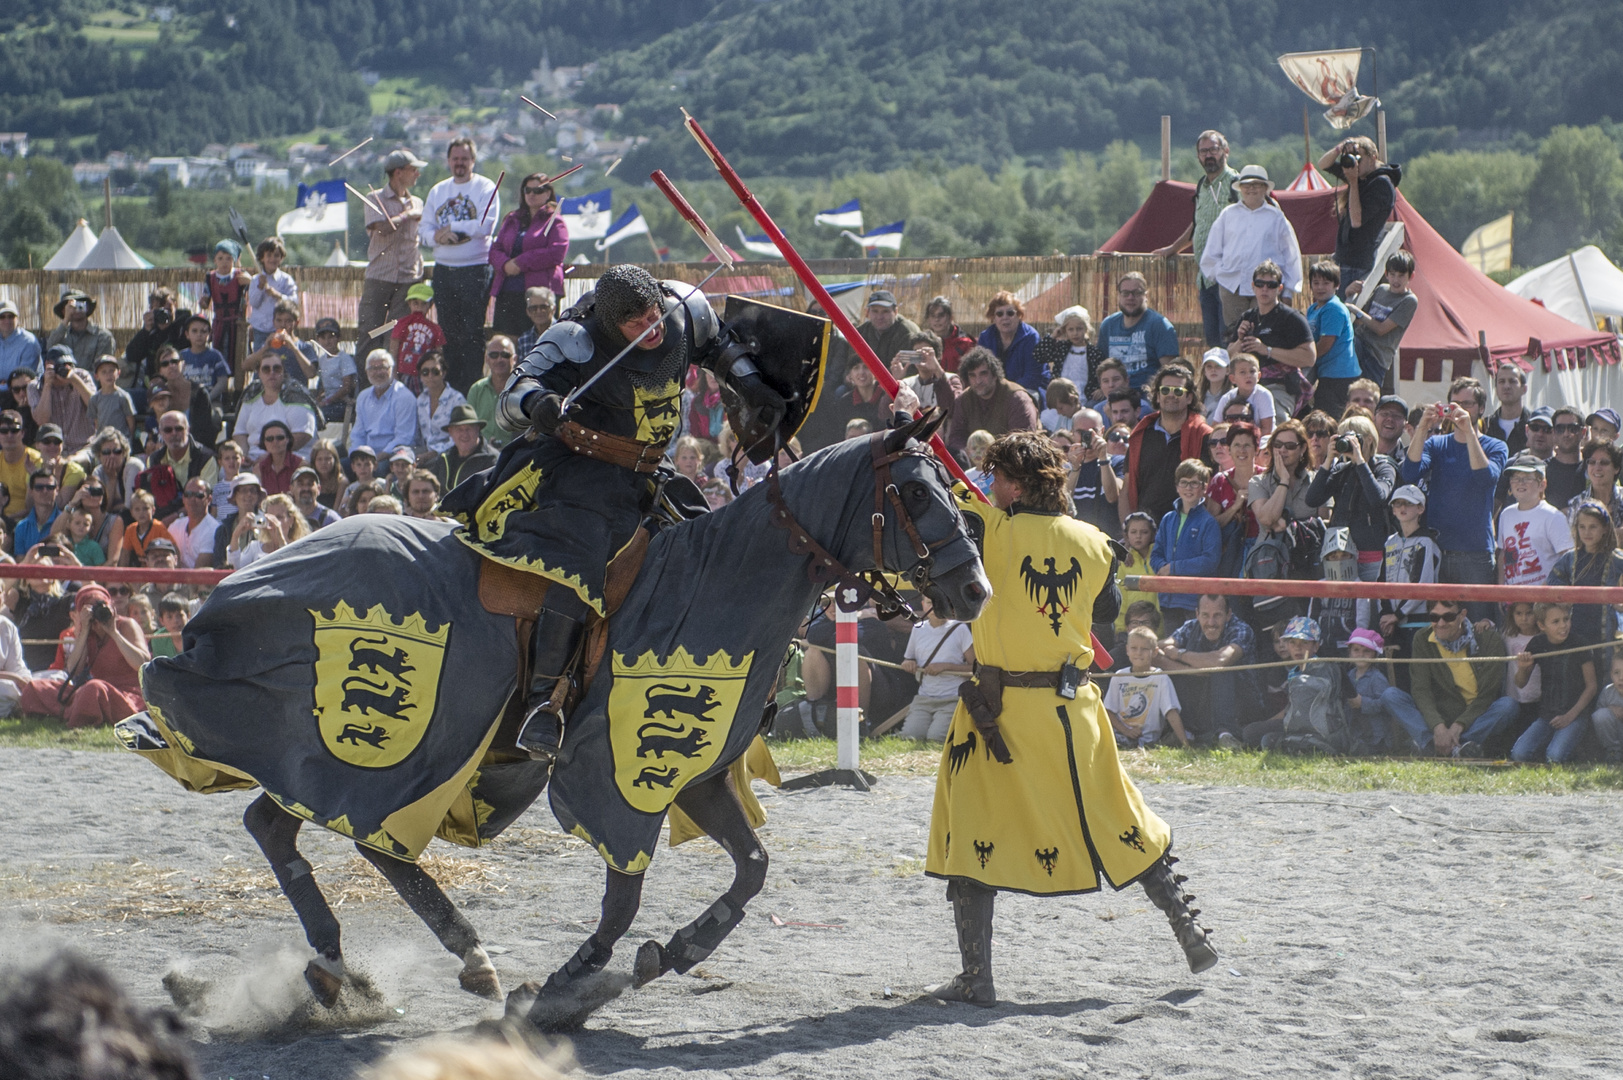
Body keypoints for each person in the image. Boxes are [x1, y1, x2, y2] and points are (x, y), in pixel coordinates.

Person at [440, 264, 787, 763]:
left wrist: (749, 383)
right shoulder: (574, 341)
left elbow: (719, 345)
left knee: (710, 547)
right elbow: (510, 398)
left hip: (652, 470)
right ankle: (544, 702)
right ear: (610, 322)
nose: (653, 326)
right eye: (636, 323)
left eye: (653, 313)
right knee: (576, 559)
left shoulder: (681, 309)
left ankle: (735, 690)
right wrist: (540, 403)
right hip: (581, 469)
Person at [923, 431, 1215, 1007]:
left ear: (1018, 482)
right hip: (1068, 711)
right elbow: (1104, 613)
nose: (990, 485)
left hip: (998, 714)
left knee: (971, 830)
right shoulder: (1097, 542)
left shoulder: (986, 528)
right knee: (1117, 814)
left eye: (998, 476)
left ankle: (976, 977)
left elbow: (942, 502)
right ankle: (1188, 928)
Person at [1399, 381, 1508, 620]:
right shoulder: (1437, 443)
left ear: (1481, 409)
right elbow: (1410, 472)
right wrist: (1422, 428)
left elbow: (1485, 477)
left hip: (1476, 553)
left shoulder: (1495, 446)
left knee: (1478, 622)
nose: (1461, 409)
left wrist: (1469, 432)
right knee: (1440, 622)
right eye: (1456, 404)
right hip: (1438, 550)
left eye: (1468, 404)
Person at [420, 138, 499, 391]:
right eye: (455, 159)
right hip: (444, 270)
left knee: (472, 333)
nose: (460, 163)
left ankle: (473, 389)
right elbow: (424, 230)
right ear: (448, 161)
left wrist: (452, 227)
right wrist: (436, 236)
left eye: (464, 159)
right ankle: (452, 390)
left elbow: (485, 226)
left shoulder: (485, 187)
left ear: (473, 161)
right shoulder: (437, 191)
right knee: (448, 334)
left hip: (475, 269)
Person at [1153, 130, 1240, 346]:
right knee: (1213, 342)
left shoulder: (1236, 183)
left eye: (1213, 149)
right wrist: (1173, 248)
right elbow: (1197, 225)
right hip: (1205, 277)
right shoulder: (1202, 185)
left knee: (1230, 340)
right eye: (1203, 151)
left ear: (1225, 151)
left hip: (1229, 276)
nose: (1208, 155)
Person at [16, 584, 147, 728]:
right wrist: (83, 632)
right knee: (34, 688)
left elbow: (143, 664)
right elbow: (73, 670)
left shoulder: (127, 625)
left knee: (92, 689)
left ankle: (72, 711)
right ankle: (80, 709)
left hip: (126, 696)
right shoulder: (87, 631)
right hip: (94, 692)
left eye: (101, 606)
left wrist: (114, 633)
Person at [1405, 598, 1520, 758]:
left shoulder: (1488, 639)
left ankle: (1443, 745)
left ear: (1462, 615)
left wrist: (1457, 727)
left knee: (1508, 705)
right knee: (1392, 697)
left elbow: (1488, 694)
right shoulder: (1422, 638)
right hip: (1440, 716)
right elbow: (1421, 690)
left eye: (1448, 617)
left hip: (1476, 716)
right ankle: (1445, 745)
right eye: (1434, 617)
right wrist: (1438, 727)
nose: (1441, 623)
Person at [1304, 415, 1396, 612]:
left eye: (1354, 438)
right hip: (1341, 556)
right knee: (1344, 611)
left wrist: (1361, 462)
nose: (1348, 443)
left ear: (1369, 439)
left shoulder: (1384, 466)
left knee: (1369, 612)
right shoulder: (1341, 469)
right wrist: (1328, 460)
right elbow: (1312, 499)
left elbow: (1378, 498)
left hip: (1371, 556)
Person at [1200, 164, 1303, 337]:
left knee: (1264, 334)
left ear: (1265, 189)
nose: (1251, 189)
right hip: (1232, 287)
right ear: (1240, 189)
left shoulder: (1276, 217)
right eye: (1246, 185)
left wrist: (1288, 291)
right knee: (1234, 336)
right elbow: (1211, 251)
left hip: (1265, 287)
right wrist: (1221, 274)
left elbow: (1291, 255)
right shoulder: (1228, 214)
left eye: (1256, 185)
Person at [1157, 592, 1257, 749]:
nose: (1211, 622)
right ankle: (1186, 732)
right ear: (1197, 613)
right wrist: (1188, 669)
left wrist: (1179, 654)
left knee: (1221, 668)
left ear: (1228, 614)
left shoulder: (1241, 629)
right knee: (1178, 668)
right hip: (1203, 702)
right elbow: (1157, 652)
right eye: (1205, 615)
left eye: (1217, 615)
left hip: (1240, 704)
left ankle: (1226, 735)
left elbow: (1220, 660)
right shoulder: (1190, 626)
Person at [1124, 362, 1211, 525]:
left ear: (1189, 397)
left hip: (1188, 527)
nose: (1171, 395)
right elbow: (1127, 489)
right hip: (1145, 531)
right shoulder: (1140, 435)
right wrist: (1128, 527)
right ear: (1157, 396)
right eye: (1165, 390)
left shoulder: (1204, 436)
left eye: (1178, 391)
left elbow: (1211, 489)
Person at [1510, 603, 1598, 764]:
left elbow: (1591, 686)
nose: (1563, 625)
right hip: (1547, 716)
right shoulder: (1537, 643)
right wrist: (1522, 668)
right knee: (1518, 754)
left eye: (1566, 619)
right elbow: (1520, 683)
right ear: (1542, 625)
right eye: (1556, 622)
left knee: (1554, 757)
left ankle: (1571, 751)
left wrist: (1570, 716)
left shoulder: (1579, 643)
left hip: (1575, 714)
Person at [358, 147, 428, 343]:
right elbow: (380, 229)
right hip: (380, 275)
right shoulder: (374, 199)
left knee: (398, 336)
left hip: (408, 278)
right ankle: (365, 375)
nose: (417, 174)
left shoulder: (418, 202)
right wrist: (406, 216)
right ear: (398, 172)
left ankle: (394, 374)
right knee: (369, 332)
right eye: (413, 170)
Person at [1230, 260, 1315, 419]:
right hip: (1246, 386)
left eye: (1271, 285)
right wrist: (1239, 341)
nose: (1265, 289)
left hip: (1280, 386)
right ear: (1253, 286)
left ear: (1279, 289)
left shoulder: (1291, 318)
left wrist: (1267, 350)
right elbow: (1229, 357)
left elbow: (1309, 357)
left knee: (1277, 420)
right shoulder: (1247, 317)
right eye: (1260, 284)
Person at [1318, 135, 1400, 295]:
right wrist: (1339, 149)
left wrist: (1353, 182)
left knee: (1345, 310)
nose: (1356, 164)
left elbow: (1356, 221)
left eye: (1359, 159)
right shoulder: (1360, 176)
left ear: (1373, 158)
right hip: (1343, 258)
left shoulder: (1381, 184)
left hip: (1357, 263)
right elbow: (1323, 164)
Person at [489, 174, 569, 337]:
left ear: (548, 193)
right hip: (509, 291)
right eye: (528, 190)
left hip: (539, 295)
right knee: (509, 342)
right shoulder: (512, 219)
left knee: (541, 341)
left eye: (538, 190)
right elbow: (495, 249)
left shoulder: (555, 220)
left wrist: (520, 262)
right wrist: (505, 264)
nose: (532, 194)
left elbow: (556, 253)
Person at [1149, 459, 1220, 631]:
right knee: (1171, 645)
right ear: (1177, 487)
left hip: (1193, 601)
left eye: (1194, 483)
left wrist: (1173, 568)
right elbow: (1156, 554)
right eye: (1184, 483)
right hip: (1168, 597)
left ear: (1204, 488)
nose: (1188, 488)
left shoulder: (1208, 522)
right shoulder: (1168, 519)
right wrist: (1162, 567)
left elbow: (1210, 561)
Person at [1545, 502, 1623, 649]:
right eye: (1582, 527)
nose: (1587, 532)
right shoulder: (1570, 557)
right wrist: (1564, 596)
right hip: (1577, 624)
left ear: (1605, 528)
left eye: (1593, 527)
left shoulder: (1616, 558)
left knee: (1604, 666)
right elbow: (1553, 577)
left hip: (1607, 628)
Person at [898, 598, 975, 742]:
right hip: (924, 698)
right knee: (910, 737)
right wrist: (908, 663)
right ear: (923, 605)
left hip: (951, 698)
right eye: (929, 603)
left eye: (940, 603)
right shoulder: (918, 628)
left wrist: (946, 666)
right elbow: (909, 659)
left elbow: (976, 669)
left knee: (936, 738)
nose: (934, 608)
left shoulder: (960, 629)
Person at [944, 348, 1038, 456]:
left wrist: (992, 457)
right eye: (972, 375)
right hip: (973, 464)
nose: (978, 381)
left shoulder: (1017, 398)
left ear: (994, 375)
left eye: (983, 374)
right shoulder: (963, 400)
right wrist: (970, 454)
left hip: (1010, 462)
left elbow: (1022, 442)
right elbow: (956, 437)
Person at [1499, 453, 1573, 588]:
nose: (1520, 483)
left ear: (1542, 485)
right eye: (1515, 478)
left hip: (1544, 598)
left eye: (1527, 478)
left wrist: (1548, 587)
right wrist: (1501, 589)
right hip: (1514, 599)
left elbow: (1568, 557)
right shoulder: (1506, 514)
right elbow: (1503, 554)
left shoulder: (1553, 516)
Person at [1105, 626, 1188, 748]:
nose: (1138, 653)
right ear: (1127, 650)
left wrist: (1185, 744)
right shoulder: (1119, 676)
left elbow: (1171, 712)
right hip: (1119, 737)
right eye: (1134, 648)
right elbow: (1108, 711)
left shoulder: (1160, 678)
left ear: (1155, 652)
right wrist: (1126, 731)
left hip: (1150, 741)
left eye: (1144, 649)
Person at [1097, 272, 1180, 393]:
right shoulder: (1108, 325)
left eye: (1136, 293)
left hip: (1146, 393)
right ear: (1118, 296)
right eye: (1125, 293)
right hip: (1114, 392)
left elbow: (1170, 370)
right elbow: (1102, 366)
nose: (1130, 297)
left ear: (1146, 295)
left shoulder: (1159, 325)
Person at [231, 351, 319, 462]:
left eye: (277, 369)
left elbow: (302, 436)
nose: (271, 372)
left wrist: (269, 459)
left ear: (283, 372)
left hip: (290, 458)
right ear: (259, 373)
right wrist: (243, 456)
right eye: (266, 369)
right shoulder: (251, 397)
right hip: (253, 458)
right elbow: (240, 432)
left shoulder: (297, 397)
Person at [1347, 250, 1418, 389]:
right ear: (1386, 274)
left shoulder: (1409, 300)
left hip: (1376, 357)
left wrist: (1355, 310)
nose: (1396, 280)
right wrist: (1349, 293)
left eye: (1401, 276)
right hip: (1360, 345)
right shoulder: (1381, 290)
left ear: (1411, 276)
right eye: (1392, 275)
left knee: (1368, 398)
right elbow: (1359, 321)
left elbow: (1381, 329)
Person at [135, 410, 218, 522]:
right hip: (162, 517)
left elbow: (206, 500)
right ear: (160, 433)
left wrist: (176, 517)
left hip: (197, 518)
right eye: (168, 430)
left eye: (179, 429)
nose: (174, 433)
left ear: (188, 430)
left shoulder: (206, 458)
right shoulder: (154, 459)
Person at [1304, 262, 1361, 421]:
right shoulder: (1313, 308)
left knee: (1328, 420)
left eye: (1326, 283)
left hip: (1340, 376)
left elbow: (1325, 344)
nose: (1320, 287)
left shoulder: (1333, 308)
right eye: (1316, 283)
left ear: (1336, 285)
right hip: (1327, 373)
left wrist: (1304, 359)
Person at [1064, 411, 1121, 538]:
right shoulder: (1064, 468)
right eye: (1080, 432)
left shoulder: (1117, 462)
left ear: (1102, 431)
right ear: (1072, 433)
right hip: (1073, 539)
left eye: (1092, 431)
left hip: (1106, 539)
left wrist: (1103, 459)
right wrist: (1075, 468)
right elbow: (1062, 503)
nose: (1087, 436)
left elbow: (1112, 497)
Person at [351, 349, 419, 456]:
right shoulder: (363, 397)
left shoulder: (404, 397)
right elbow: (358, 435)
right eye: (373, 368)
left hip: (393, 455)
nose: (378, 373)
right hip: (368, 456)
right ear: (366, 371)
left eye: (382, 368)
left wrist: (378, 458)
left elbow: (404, 437)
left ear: (392, 369)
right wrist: (356, 456)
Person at [976, 291, 1042, 395]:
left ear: (1019, 315)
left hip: (1026, 389)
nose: (1005, 317)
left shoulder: (1031, 337)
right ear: (993, 317)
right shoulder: (986, 338)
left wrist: (1005, 392)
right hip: (994, 391)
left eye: (1010, 313)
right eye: (999, 314)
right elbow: (980, 371)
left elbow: (1032, 376)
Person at [199, 238, 251, 371]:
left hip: (237, 324)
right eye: (220, 258)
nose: (224, 262)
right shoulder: (210, 278)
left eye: (228, 258)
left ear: (234, 260)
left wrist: (251, 281)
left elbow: (254, 292)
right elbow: (206, 299)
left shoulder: (241, 277)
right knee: (219, 354)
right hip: (219, 323)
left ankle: (237, 387)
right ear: (215, 260)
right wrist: (203, 302)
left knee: (237, 356)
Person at [32, 346, 96, 453]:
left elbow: (96, 408)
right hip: (53, 449)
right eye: (61, 365)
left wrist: (74, 380)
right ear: (48, 364)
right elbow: (42, 420)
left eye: (70, 365)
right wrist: (47, 385)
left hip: (84, 448)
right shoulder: (35, 386)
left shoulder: (81, 376)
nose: (66, 369)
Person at [389, 282, 446, 394]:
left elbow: (439, 354)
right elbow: (393, 349)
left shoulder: (435, 328)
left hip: (426, 374)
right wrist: (394, 375)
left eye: (423, 304)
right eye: (415, 303)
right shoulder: (402, 323)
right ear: (409, 303)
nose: (419, 307)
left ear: (430, 305)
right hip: (405, 373)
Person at [1033, 306, 1100, 400]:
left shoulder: (1094, 352)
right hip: (1061, 398)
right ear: (1065, 331)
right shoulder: (1061, 349)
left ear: (1086, 329)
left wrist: (1099, 389)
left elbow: (1100, 374)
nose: (1075, 333)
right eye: (1071, 329)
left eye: (1079, 329)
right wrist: (1053, 336)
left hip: (1086, 397)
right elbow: (1038, 355)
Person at [428, 404, 498, 492]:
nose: (464, 434)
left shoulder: (491, 459)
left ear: (477, 430)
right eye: (459, 429)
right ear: (451, 432)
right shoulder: (444, 459)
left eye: (469, 429)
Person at [245, 237, 297, 353]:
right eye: (269, 255)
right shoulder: (256, 280)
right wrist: (260, 287)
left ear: (281, 258)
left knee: (281, 358)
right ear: (262, 258)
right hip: (260, 329)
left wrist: (277, 295)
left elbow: (294, 302)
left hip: (280, 329)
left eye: (276, 255)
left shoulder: (286, 280)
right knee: (260, 358)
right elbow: (253, 302)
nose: (273, 259)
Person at [467, 335, 517, 450]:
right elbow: (470, 427)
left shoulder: (524, 389)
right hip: (483, 454)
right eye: (494, 355)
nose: (499, 359)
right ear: (486, 359)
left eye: (505, 355)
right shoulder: (476, 389)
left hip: (514, 453)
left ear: (514, 359)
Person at [854, 289, 922, 374]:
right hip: (865, 380)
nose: (879, 317)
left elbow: (908, 369)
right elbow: (851, 362)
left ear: (895, 311)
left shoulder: (907, 332)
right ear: (867, 312)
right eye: (875, 311)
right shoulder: (861, 332)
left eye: (885, 311)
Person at [45, 290, 116, 370]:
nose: (76, 309)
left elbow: (102, 370)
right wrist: (66, 320)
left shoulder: (103, 336)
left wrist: (77, 379)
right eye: (71, 306)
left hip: (90, 381)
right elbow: (49, 347)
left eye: (80, 304)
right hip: (63, 380)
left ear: (87, 307)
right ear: (64, 310)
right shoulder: (61, 334)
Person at [1212, 352, 1275, 437]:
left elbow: (1267, 430)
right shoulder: (1227, 398)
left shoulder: (1264, 395)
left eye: (1252, 371)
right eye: (1242, 372)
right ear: (1233, 378)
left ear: (1259, 376)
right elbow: (1216, 427)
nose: (1248, 376)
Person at [308, 317, 358, 423]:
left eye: (331, 337)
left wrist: (327, 401)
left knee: (318, 417)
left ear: (339, 338)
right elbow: (322, 386)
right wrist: (317, 401)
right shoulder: (321, 360)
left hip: (342, 402)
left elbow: (346, 387)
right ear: (318, 340)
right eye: (323, 337)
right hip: (328, 401)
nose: (327, 341)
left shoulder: (344, 358)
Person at [416, 353, 467, 455]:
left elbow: (462, 435)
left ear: (443, 373)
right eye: (425, 372)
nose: (430, 376)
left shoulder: (457, 399)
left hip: (449, 453)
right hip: (424, 451)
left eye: (435, 372)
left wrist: (433, 454)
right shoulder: (421, 399)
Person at [897, 331, 957, 418]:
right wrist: (896, 382)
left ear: (938, 356)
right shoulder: (906, 383)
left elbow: (953, 409)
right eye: (916, 353)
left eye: (925, 352)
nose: (921, 357)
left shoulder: (951, 379)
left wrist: (938, 370)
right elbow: (884, 414)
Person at [1567, 438, 1623, 526]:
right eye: (1592, 462)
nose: (1597, 468)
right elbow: (1571, 538)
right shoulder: (1577, 504)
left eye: (1604, 463)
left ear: (1616, 468)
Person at [0, 409, 41, 525]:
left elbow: (31, 507)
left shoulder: (35, 460)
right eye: (3, 431)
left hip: (25, 523)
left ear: (22, 433)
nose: (9, 435)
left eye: (14, 430)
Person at [1543, 407, 1588, 510]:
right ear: (1553, 432)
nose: (1566, 434)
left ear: (1583, 432)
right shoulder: (1542, 471)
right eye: (1560, 429)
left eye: (1573, 428)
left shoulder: (1592, 469)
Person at [1481, 361, 1530, 455]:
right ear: (1496, 389)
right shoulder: (1486, 426)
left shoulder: (1534, 426)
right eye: (1501, 381)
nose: (1506, 386)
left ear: (1524, 389)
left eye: (1512, 381)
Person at [170, 477, 218, 569]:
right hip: (175, 581)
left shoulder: (214, 529)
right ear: (183, 499)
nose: (192, 499)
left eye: (199, 495)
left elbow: (198, 573)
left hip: (198, 581)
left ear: (209, 499)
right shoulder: (175, 526)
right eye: (188, 494)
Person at [12, 467, 61, 556]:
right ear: (31, 491)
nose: (45, 491)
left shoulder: (66, 522)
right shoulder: (21, 527)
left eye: (50, 487)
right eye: (39, 487)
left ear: (57, 490)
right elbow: (20, 562)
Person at [119, 489, 175, 566]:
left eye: (145, 509)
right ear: (131, 512)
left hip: (158, 567)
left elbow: (174, 549)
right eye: (137, 509)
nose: (141, 513)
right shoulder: (130, 529)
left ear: (153, 510)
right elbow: (125, 555)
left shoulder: (159, 527)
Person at [923, 295, 976, 373]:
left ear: (951, 317)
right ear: (928, 319)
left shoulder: (965, 344)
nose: (936, 319)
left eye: (941, 315)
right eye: (932, 316)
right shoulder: (923, 343)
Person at [252, 419, 302, 496]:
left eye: (280, 437)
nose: (275, 442)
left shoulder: (300, 465)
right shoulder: (258, 469)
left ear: (288, 439)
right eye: (269, 439)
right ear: (264, 442)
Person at [1592, 652, 1623, 763]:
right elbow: (1598, 718)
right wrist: (1611, 709)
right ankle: (1614, 754)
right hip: (1617, 736)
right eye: (1616, 673)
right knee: (1601, 715)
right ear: (1611, 675)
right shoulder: (1607, 692)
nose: (1621, 678)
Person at [0, 298, 41, 383]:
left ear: (17, 319)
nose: (7, 321)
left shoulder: (29, 342)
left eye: (11, 316)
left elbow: (23, 379)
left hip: (22, 392)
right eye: (2, 317)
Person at [290, 465, 342, 531]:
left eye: (310, 484)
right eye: (300, 484)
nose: (306, 488)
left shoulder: (330, 519)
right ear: (291, 489)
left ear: (318, 489)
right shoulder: (284, 517)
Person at [513, 290, 555, 362]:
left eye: (543, 307)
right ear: (528, 312)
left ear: (553, 309)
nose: (539, 311)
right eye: (533, 308)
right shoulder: (524, 339)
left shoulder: (563, 334)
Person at [1373, 393, 1409, 459]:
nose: (1390, 419)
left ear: (1406, 426)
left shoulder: (1407, 461)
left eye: (1396, 416)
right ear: (1374, 418)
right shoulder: (1360, 453)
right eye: (1385, 414)